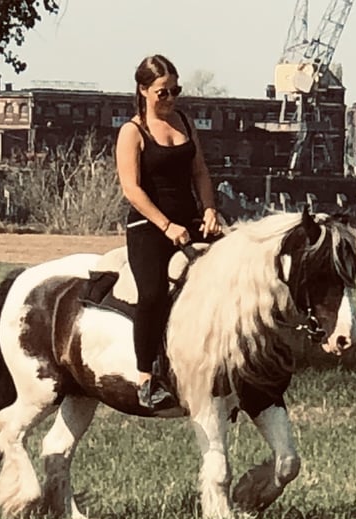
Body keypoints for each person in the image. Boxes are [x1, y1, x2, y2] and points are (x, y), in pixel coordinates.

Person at [115, 54, 223, 409]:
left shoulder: (185, 123)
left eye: (176, 90)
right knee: (153, 294)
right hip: (149, 227)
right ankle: (147, 377)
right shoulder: (132, 131)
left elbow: (201, 173)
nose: (171, 98)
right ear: (144, 90)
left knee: (236, 269)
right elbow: (131, 189)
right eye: (163, 92)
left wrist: (208, 209)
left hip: (191, 222)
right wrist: (166, 226)